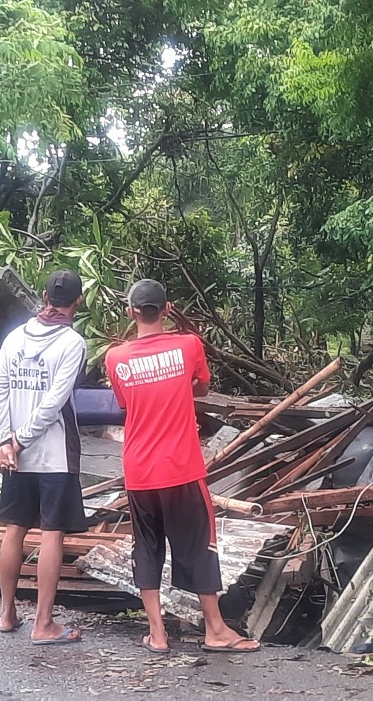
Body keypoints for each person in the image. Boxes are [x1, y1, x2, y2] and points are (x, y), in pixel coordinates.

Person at [106, 279, 260, 654]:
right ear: (168, 309)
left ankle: (157, 635)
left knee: (146, 548)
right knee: (198, 546)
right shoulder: (188, 345)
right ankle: (215, 630)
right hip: (181, 468)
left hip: (139, 470)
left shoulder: (115, 357)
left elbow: (126, 405)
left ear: (130, 313)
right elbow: (202, 389)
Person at [0, 269, 89, 645]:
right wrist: (18, 440)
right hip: (53, 455)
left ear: (44, 297)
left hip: (14, 456)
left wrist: (3, 441)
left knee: (14, 528)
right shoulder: (72, 342)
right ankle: (43, 624)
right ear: (77, 302)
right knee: (51, 535)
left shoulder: (14, 338)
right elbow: (54, 402)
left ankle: (6, 614)